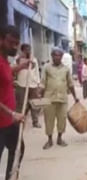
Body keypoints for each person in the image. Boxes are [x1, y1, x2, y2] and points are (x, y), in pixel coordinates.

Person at [0, 25, 26, 180]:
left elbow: (6, 74)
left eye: (17, 43)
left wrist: (21, 66)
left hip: (9, 122)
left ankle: (10, 177)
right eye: (11, 43)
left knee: (17, 149)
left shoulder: (4, 61)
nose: (15, 47)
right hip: (2, 122)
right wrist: (12, 113)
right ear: (1, 40)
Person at [41, 47, 79, 150]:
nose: (57, 57)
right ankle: (49, 140)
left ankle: (59, 138)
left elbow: (70, 84)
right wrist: (39, 98)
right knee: (49, 120)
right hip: (49, 99)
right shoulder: (46, 67)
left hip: (62, 98)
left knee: (62, 119)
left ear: (61, 57)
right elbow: (43, 83)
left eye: (59, 55)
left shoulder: (66, 69)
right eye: (55, 55)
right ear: (52, 56)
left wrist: (75, 97)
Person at [15, 44, 42, 128]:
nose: (28, 51)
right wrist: (21, 59)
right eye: (26, 49)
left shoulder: (34, 59)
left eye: (29, 49)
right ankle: (20, 120)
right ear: (22, 50)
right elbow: (15, 69)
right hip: (22, 84)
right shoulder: (17, 59)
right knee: (21, 104)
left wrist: (38, 83)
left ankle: (35, 121)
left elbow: (37, 72)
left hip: (33, 85)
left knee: (34, 104)